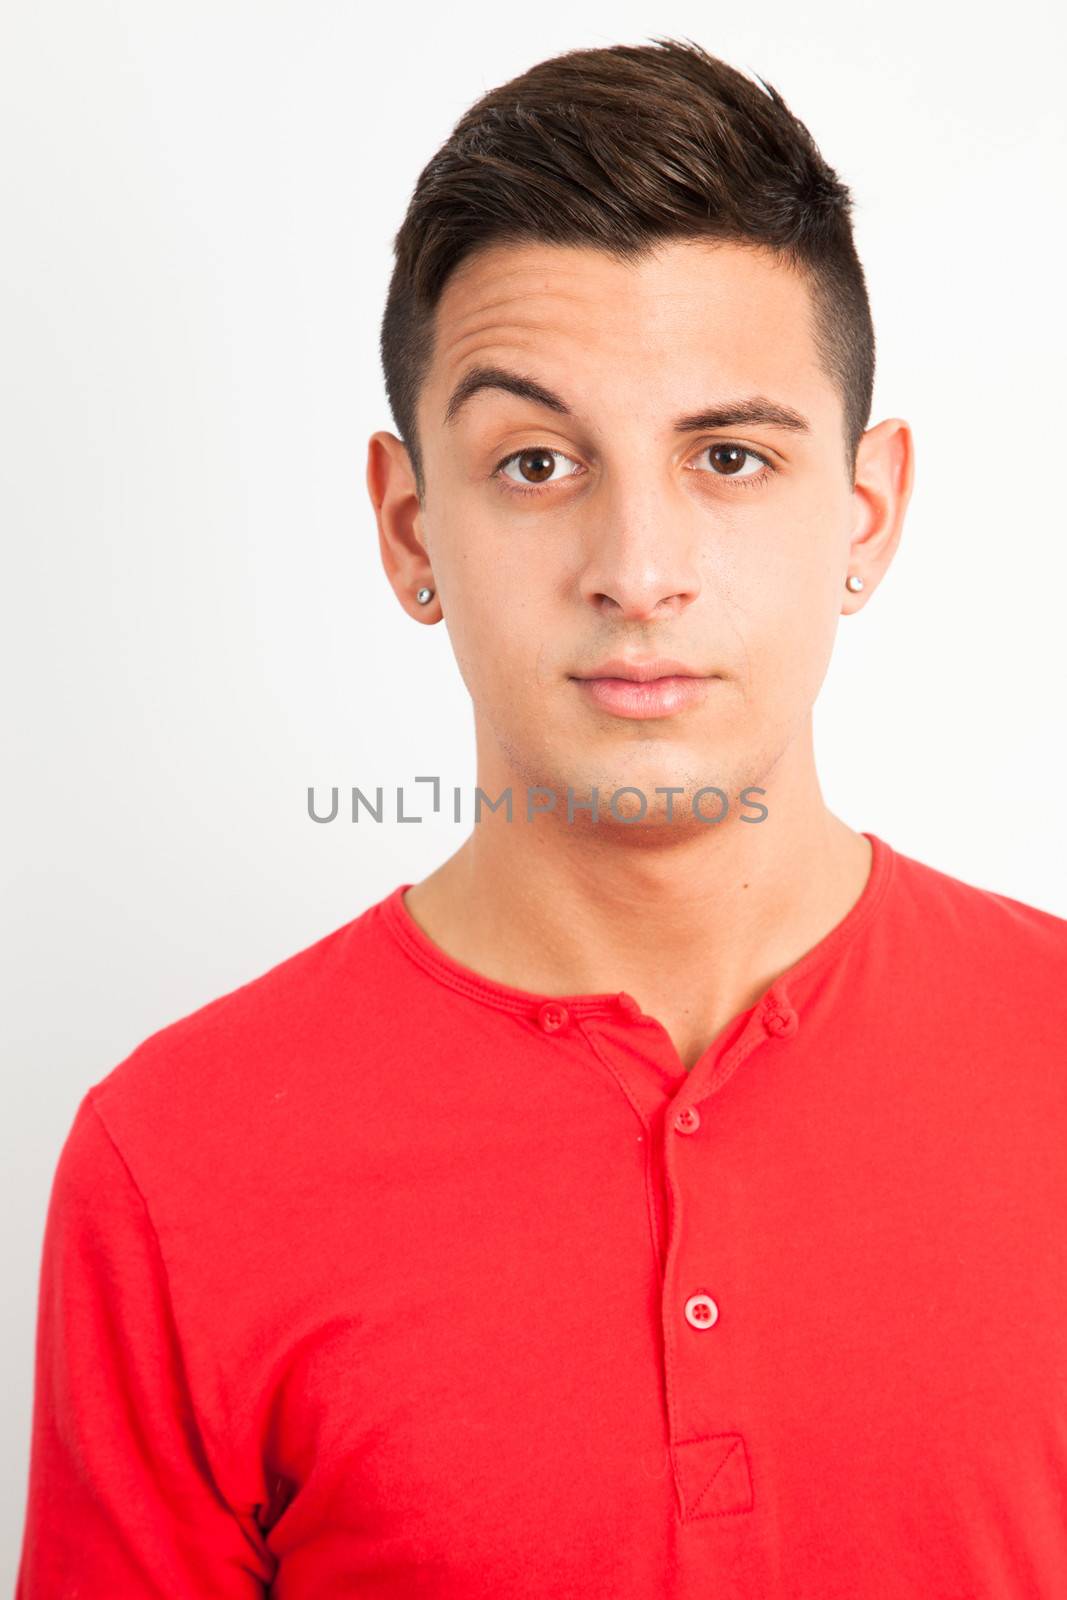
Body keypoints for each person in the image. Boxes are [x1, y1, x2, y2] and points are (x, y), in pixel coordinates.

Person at [16, 35, 1067, 1599]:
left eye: (727, 456)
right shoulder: (169, 1165)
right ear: (407, 525)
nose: (637, 568)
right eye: (535, 462)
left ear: (866, 513)